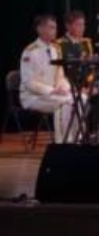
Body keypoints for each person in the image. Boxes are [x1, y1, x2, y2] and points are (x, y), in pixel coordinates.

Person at [19, 14, 75, 143]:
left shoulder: (56, 48)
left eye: (55, 28)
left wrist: (63, 86)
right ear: (40, 29)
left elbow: (60, 74)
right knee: (65, 102)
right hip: (34, 96)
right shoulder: (30, 51)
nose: (54, 31)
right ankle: (63, 142)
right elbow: (29, 82)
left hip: (54, 93)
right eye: (51, 27)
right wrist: (51, 90)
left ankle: (77, 138)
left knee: (80, 99)